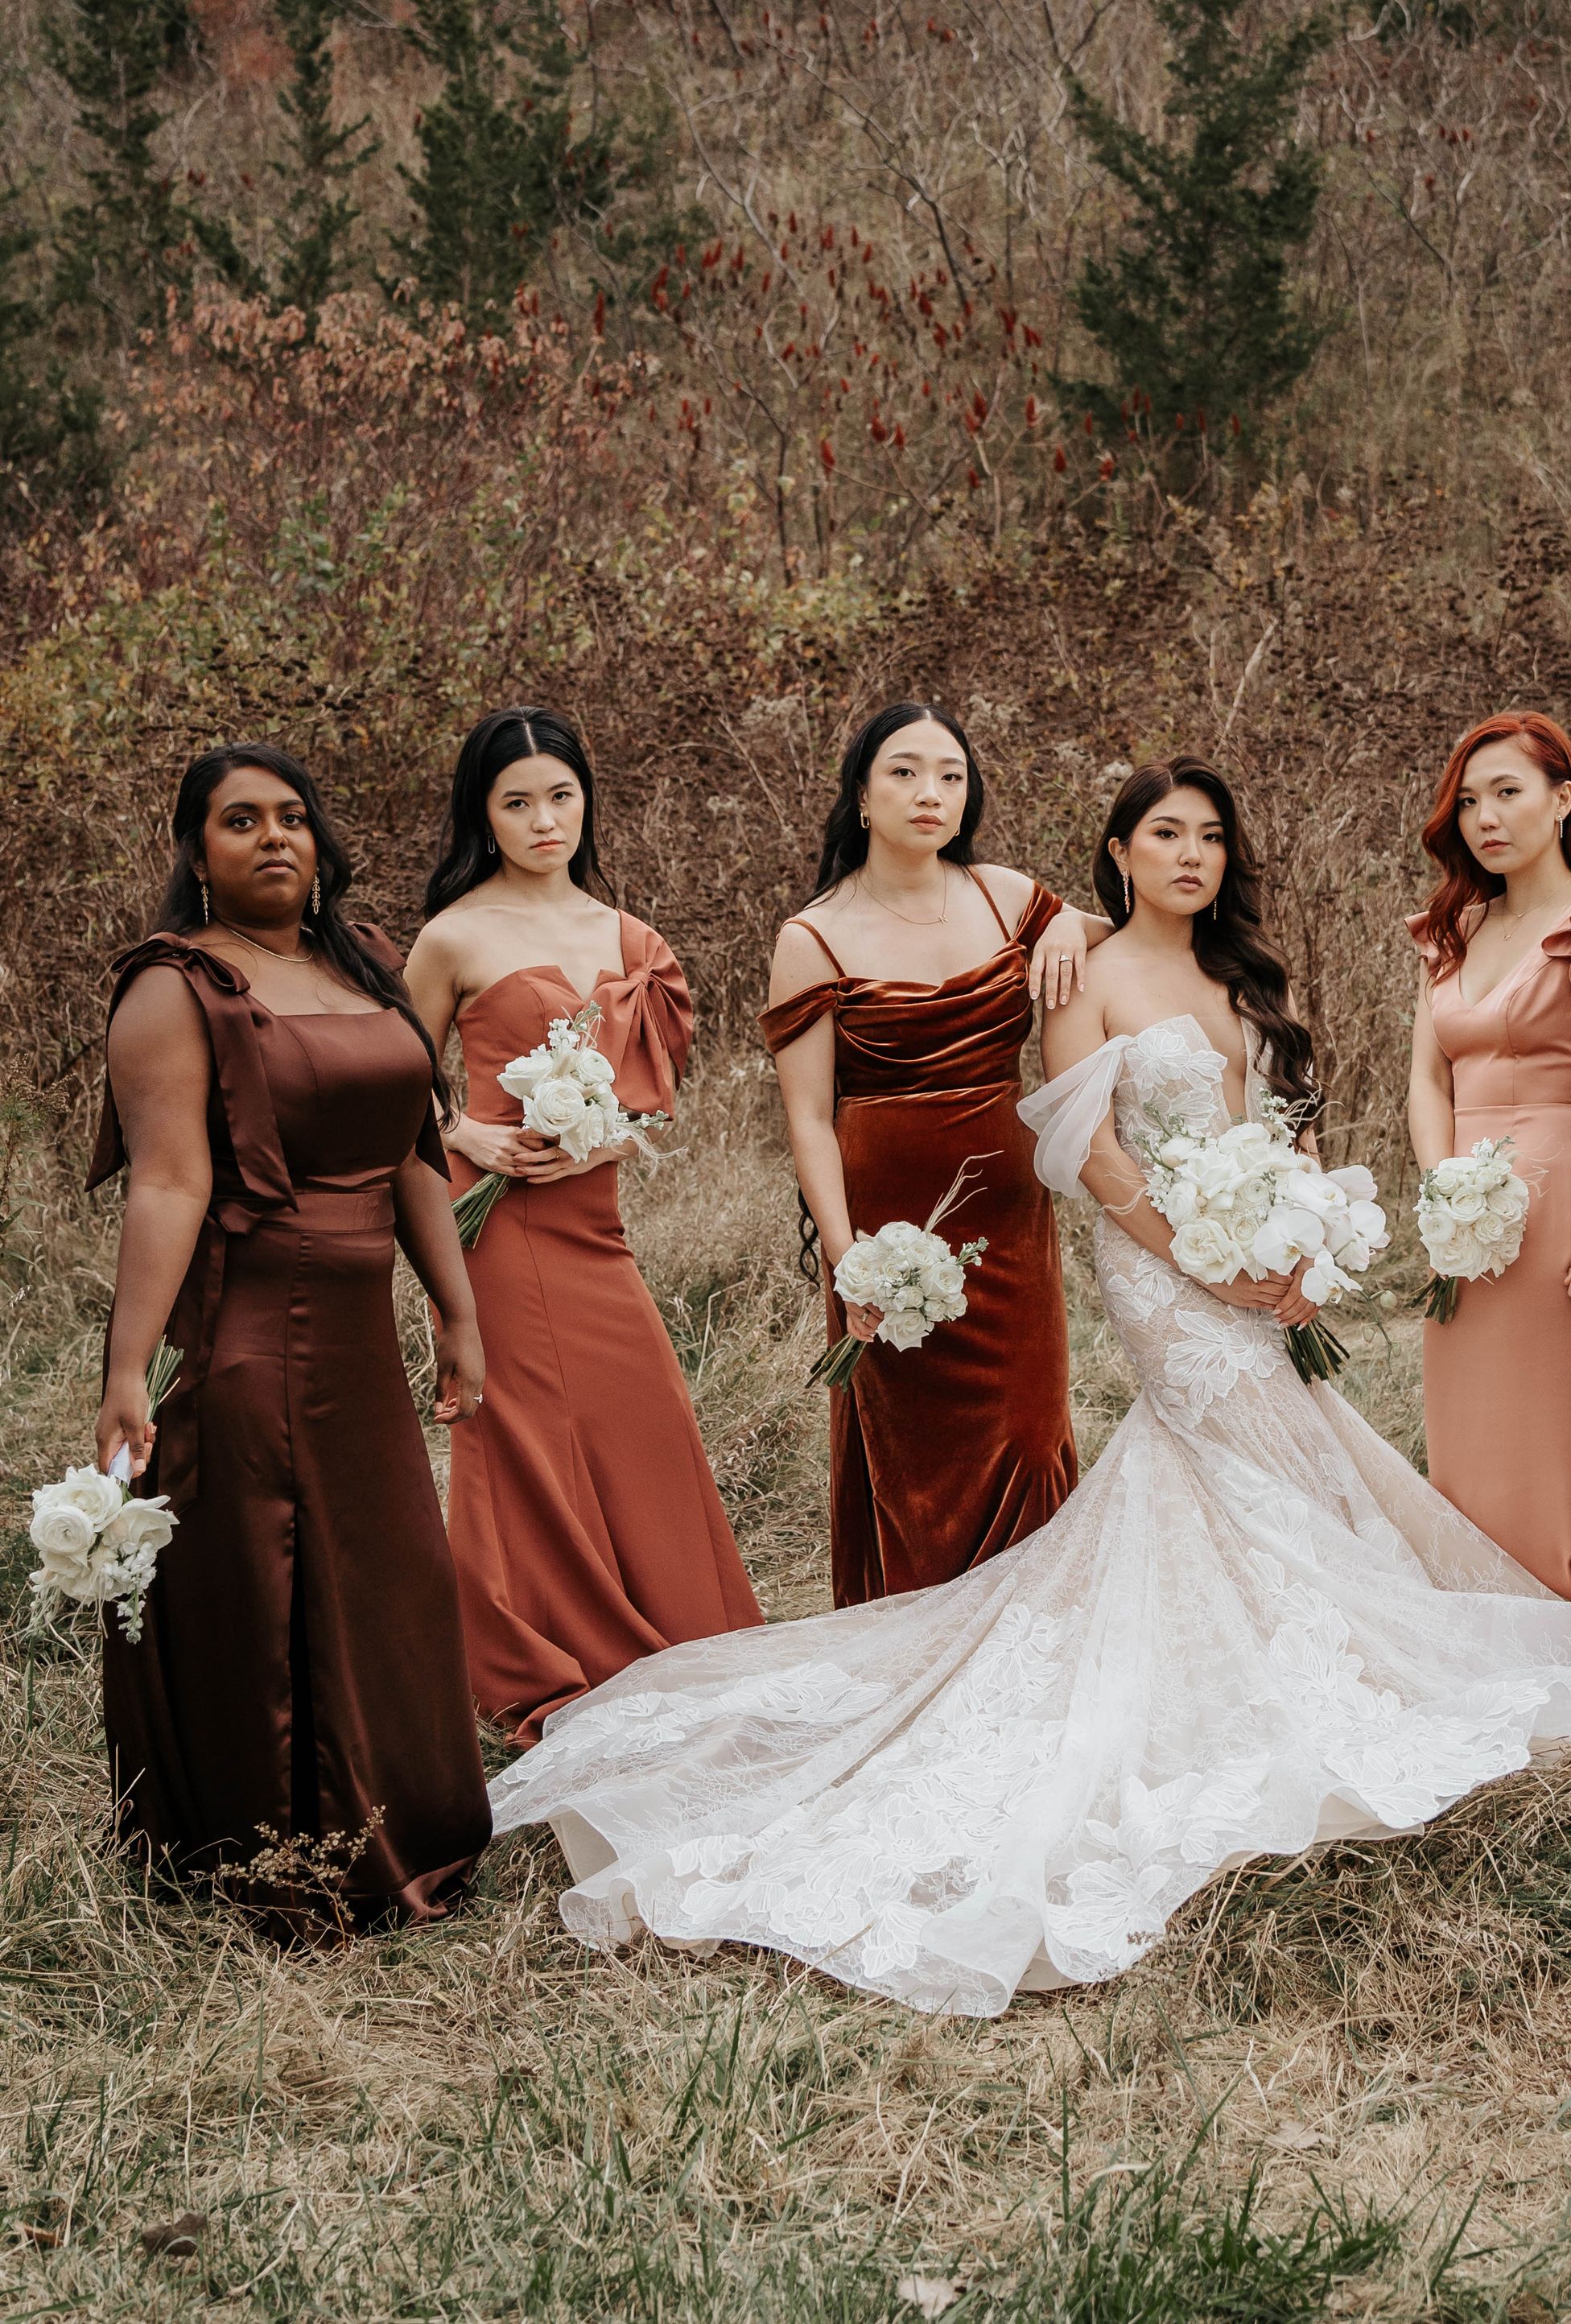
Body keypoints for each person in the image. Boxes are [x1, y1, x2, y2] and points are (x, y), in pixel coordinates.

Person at [487, 756, 1571, 2020]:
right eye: (1164, 834)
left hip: (1265, 1258)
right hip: (1162, 1267)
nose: (1190, 856)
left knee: (1291, 1456)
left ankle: (1296, 1655)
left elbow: (1296, 1115)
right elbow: (1086, 1153)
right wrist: (1208, 1255)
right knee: (1246, 1447)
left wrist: (1304, 1239)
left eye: (1210, 835)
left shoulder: (1249, 973)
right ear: (1118, 851)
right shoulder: (1081, 973)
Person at [90, 744, 490, 1927]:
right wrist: (129, 1370)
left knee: (388, 1573)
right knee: (276, 1581)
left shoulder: (361, 961)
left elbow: (410, 1151)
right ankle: (281, 1852)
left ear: (321, 841)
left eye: (293, 816)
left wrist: (458, 1311)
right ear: (196, 851)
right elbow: (167, 1183)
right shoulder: (175, 983)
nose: (273, 836)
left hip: (363, 1334)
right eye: (239, 820)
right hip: (257, 1326)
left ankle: (406, 1821)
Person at [405, 706, 761, 1742]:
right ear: (485, 814)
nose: (543, 819)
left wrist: (605, 1140)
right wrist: (467, 1129)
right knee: (516, 1433)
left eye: (560, 795)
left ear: (585, 800)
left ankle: (679, 1632)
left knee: (641, 1415)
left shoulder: (629, 938)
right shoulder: (454, 935)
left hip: (594, 1226)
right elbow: (388, 1079)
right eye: (516, 802)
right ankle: (538, 1650)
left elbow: (651, 1098)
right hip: (497, 1226)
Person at [763, 701, 1101, 1606]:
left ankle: (1033, 1643)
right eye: (905, 772)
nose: (931, 793)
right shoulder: (812, 937)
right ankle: (915, 1647)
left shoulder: (1006, 896)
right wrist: (848, 1261)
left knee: (1029, 1435)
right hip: (882, 1223)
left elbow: (1132, 936)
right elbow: (806, 1120)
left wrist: (1069, 923)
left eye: (950, 775)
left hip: (1007, 1218)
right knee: (912, 1456)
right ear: (862, 798)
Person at [1406, 712, 1571, 1630]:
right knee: (1471, 1419)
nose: (1485, 819)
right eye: (1468, 802)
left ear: (1562, 797)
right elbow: (1427, 1077)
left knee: (1558, 1423)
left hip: (1564, 1191)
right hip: (1462, 1214)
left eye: (1507, 793)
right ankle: (1477, 1617)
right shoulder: (1450, 927)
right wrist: (1443, 1189)